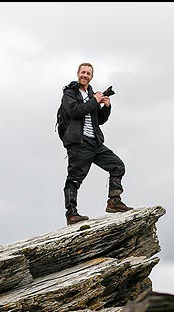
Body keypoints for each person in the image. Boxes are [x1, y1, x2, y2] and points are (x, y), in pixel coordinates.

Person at [60, 62, 132, 225]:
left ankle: (114, 201)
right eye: (83, 72)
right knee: (74, 179)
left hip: (95, 142)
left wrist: (106, 106)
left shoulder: (92, 94)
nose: (85, 75)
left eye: (88, 73)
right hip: (78, 143)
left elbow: (99, 120)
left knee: (117, 165)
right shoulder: (69, 93)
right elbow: (75, 112)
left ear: (92, 77)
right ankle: (71, 214)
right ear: (78, 73)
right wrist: (94, 100)